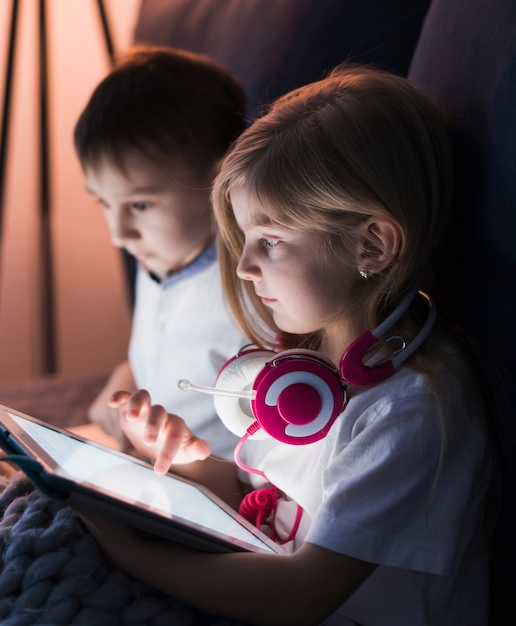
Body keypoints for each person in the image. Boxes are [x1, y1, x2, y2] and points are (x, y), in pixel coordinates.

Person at [79, 65, 496, 626]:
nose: (246, 268)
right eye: (245, 240)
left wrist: (129, 554)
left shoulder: (412, 408)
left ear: (371, 246)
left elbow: (300, 595)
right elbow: (258, 499)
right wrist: (191, 463)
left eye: (270, 241)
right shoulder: (303, 370)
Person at [73, 46, 249, 458]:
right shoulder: (160, 255)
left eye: (140, 205)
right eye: (104, 203)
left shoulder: (257, 288)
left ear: (222, 178)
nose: (119, 235)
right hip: (146, 467)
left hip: (217, 487)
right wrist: (129, 373)